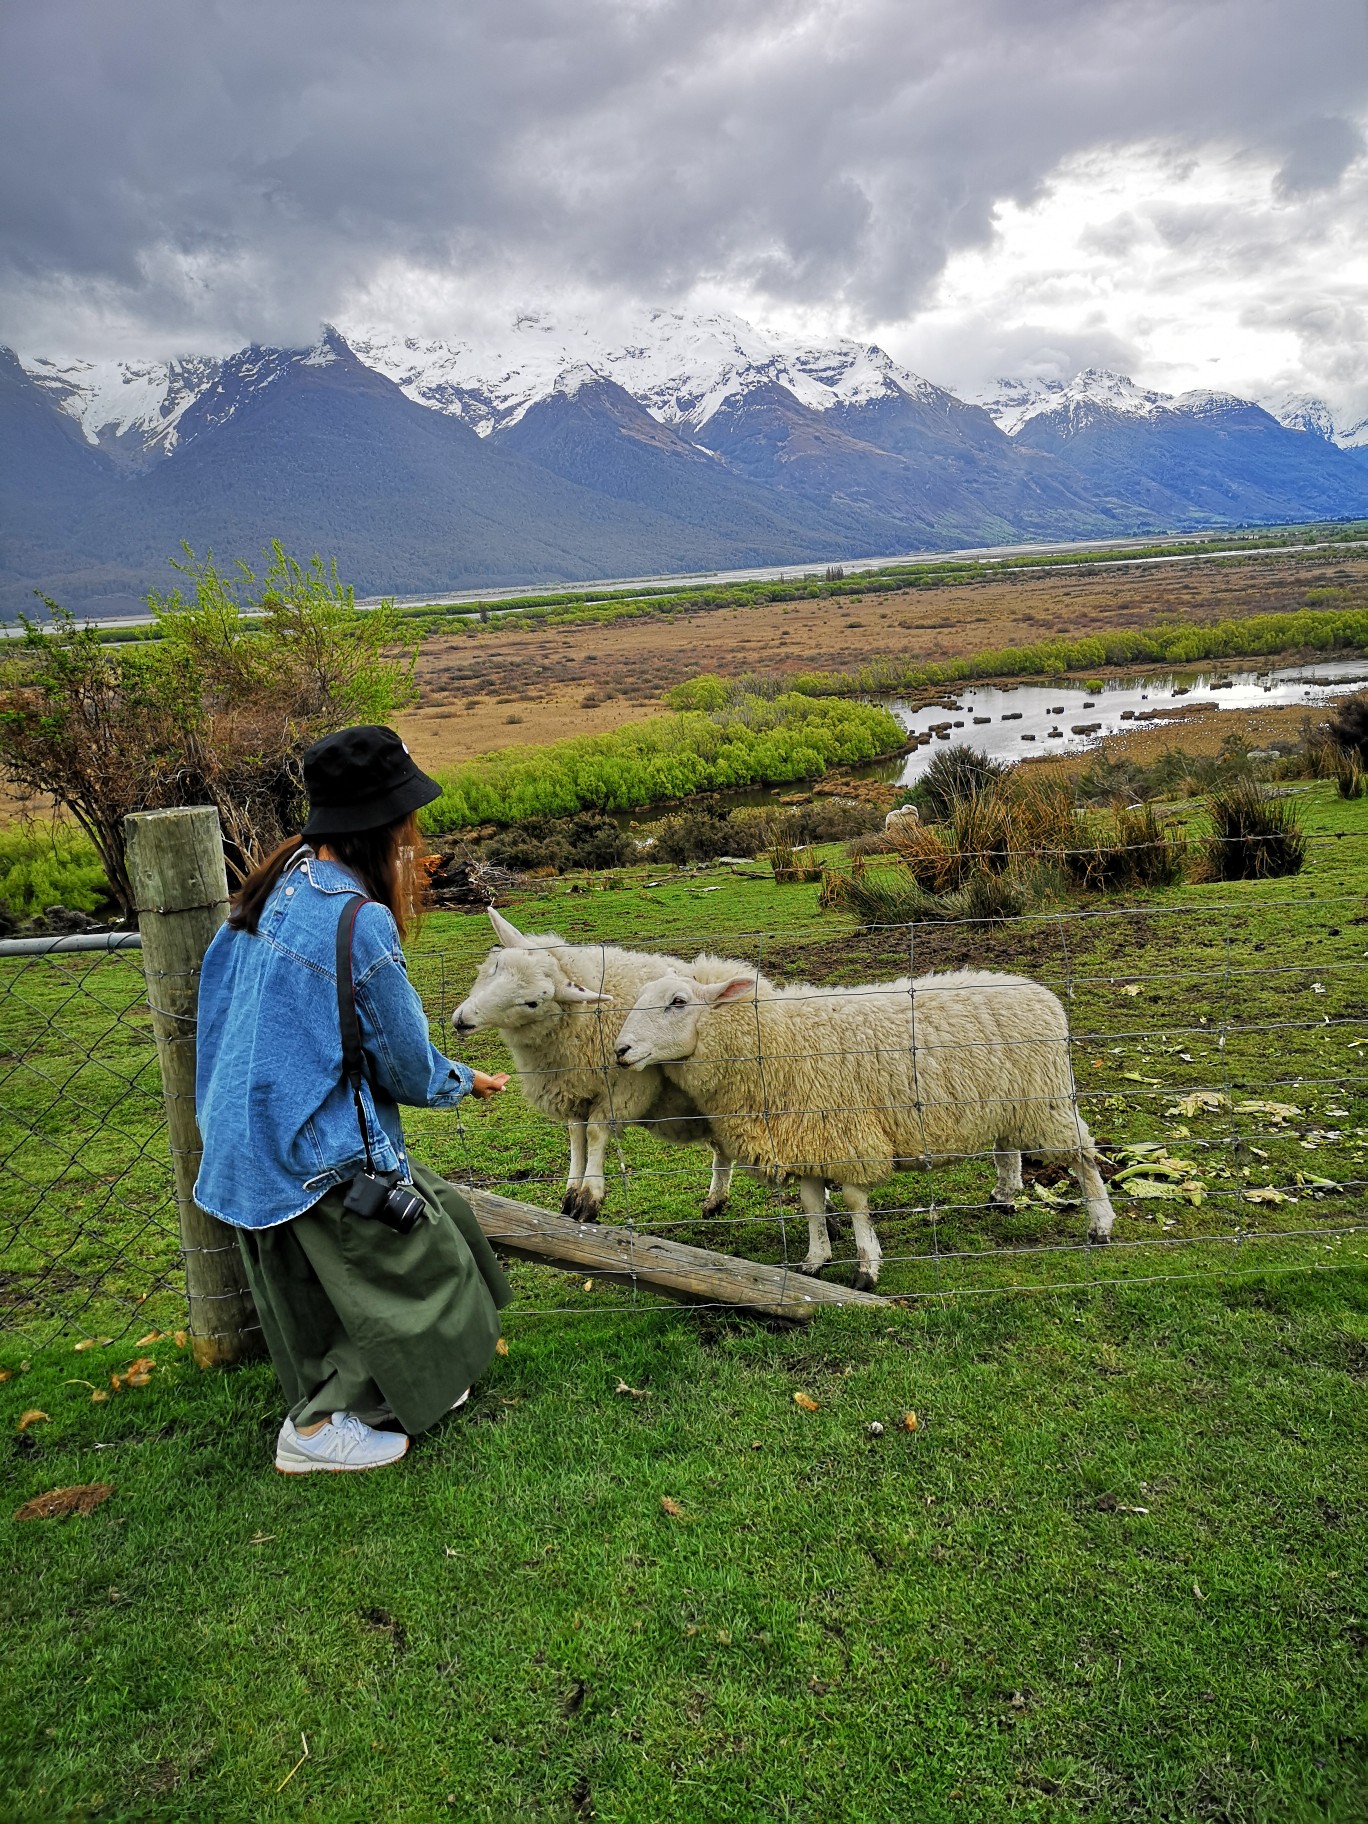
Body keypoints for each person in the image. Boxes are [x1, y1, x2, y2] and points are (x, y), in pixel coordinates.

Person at [194, 725, 512, 1473]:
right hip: (307, 1153)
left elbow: (218, 997)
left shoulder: (285, 876)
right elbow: (403, 1065)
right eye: (407, 824)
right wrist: (462, 1079)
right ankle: (312, 1430)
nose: (415, 840)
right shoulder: (358, 920)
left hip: (254, 1135)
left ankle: (402, 1385)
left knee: (443, 1222)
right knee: (430, 1261)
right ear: (384, 828)